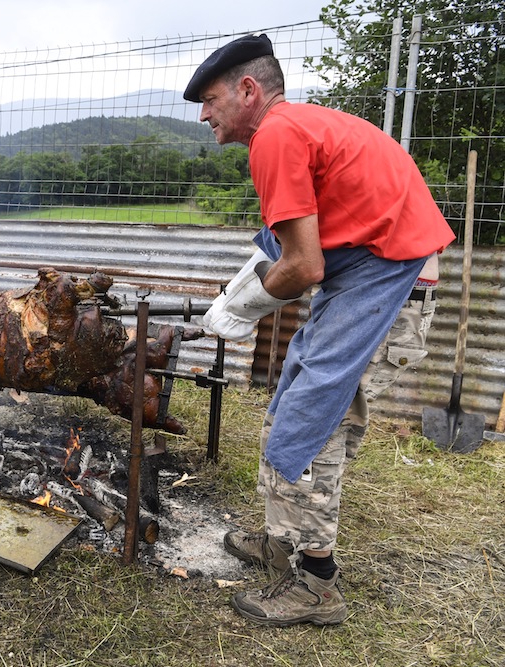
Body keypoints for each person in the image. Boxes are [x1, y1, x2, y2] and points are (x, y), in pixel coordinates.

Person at [183, 34, 455, 626]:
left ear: (248, 90)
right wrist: (241, 288)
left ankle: (315, 585)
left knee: (311, 426)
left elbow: (303, 267)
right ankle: (282, 541)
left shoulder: (276, 136)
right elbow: (294, 248)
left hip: (387, 289)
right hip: (368, 279)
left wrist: (243, 308)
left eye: (209, 100)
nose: (203, 115)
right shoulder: (303, 126)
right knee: (288, 403)